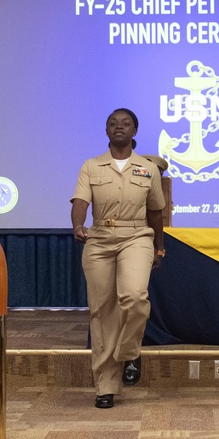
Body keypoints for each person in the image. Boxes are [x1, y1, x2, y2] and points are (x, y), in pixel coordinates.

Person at [71, 108, 166, 409]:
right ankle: (106, 386)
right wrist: (77, 224)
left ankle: (129, 351)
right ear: (106, 131)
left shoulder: (148, 169)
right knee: (103, 312)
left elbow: (156, 213)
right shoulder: (91, 166)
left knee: (135, 297)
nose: (119, 127)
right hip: (99, 238)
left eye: (125, 124)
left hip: (137, 237)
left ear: (135, 131)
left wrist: (160, 248)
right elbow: (80, 201)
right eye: (113, 124)